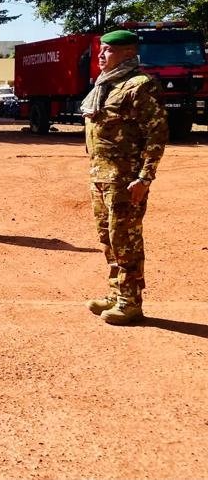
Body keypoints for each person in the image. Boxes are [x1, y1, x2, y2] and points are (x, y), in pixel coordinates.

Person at [81, 29, 168, 325]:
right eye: (100, 50)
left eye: (108, 51)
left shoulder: (139, 86)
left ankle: (130, 302)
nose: (101, 56)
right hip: (101, 175)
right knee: (107, 237)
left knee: (125, 238)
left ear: (128, 54)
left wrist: (145, 178)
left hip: (125, 178)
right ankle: (116, 292)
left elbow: (156, 133)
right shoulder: (104, 86)